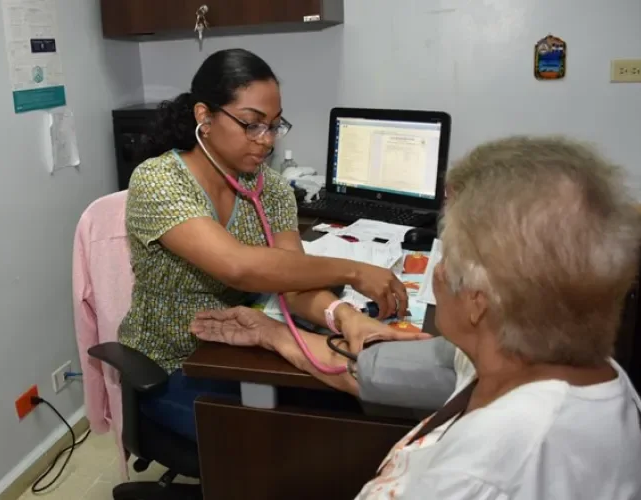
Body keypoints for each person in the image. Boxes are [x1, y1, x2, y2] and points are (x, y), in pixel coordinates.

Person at [191, 135, 641, 499]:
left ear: (480, 299)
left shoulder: (485, 473)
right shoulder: (543, 360)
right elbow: (370, 370)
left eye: (447, 254)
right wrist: (275, 335)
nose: (436, 272)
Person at [117, 48, 426, 443]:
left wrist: (346, 317)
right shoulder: (158, 181)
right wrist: (355, 271)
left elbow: (292, 283)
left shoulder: (271, 188)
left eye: (274, 126)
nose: (266, 141)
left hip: (247, 349)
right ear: (204, 117)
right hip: (174, 367)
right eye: (251, 124)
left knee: (352, 414)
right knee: (290, 441)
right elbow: (238, 267)